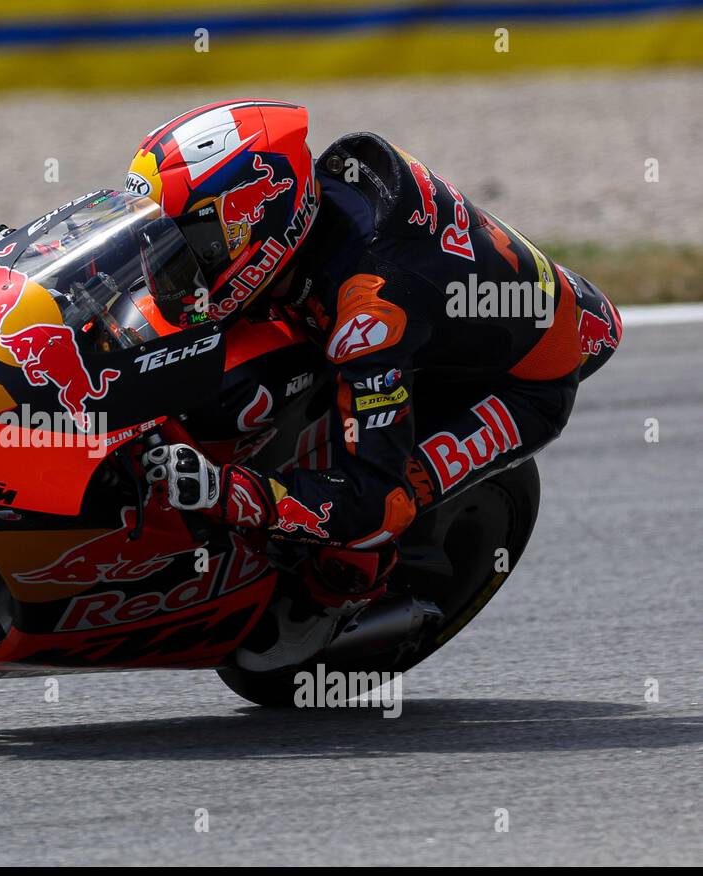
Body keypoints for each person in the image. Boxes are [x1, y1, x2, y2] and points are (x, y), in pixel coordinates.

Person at [112, 99, 622, 615]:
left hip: (523, 383)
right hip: (438, 312)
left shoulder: (368, 314)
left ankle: (348, 597)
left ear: (258, 216)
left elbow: (369, 497)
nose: (170, 263)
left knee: (378, 513)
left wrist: (223, 491)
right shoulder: (311, 211)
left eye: (190, 243)